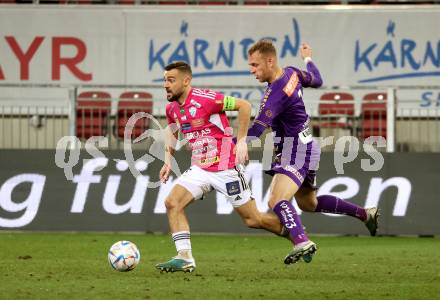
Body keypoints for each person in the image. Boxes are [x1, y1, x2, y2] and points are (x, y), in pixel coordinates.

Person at [245, 40, 380, 265]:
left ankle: (301, 240)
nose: (252, 70)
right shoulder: (293, 72)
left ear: (270, 61)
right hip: (307, 146)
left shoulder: (275, 92)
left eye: (255, 65)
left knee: (276, 200)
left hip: (295, 150)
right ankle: (365, 213)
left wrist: (229, 144)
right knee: (309, 204)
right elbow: (316, 79)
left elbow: (258, 128)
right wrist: (308, 59)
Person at [155, 61, 287, 273]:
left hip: (226, 167)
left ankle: (293, 232)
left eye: (171, 80)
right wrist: (167, 160)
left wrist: (242, 140)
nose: (166, 85)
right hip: (200, 168)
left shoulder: (206, 99)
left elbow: (244, 106)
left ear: (186, 81)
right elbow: (172, 131)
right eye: (164, 80)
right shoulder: (172, 109)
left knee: (253, 220)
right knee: (172, 203)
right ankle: (184, 256)